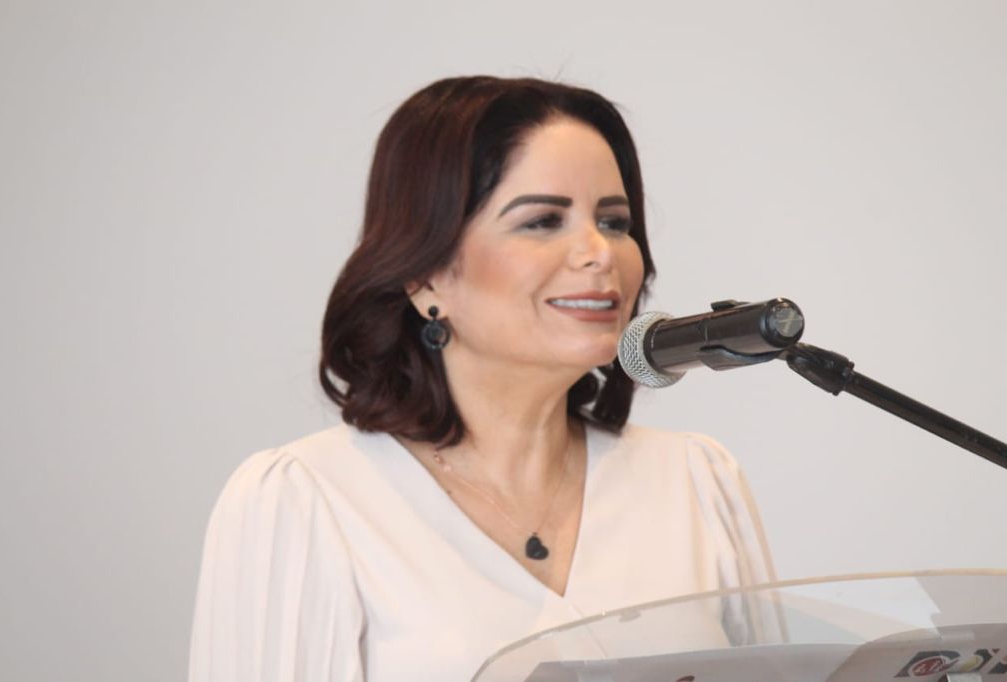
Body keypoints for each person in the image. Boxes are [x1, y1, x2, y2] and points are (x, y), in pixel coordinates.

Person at [188, 76, 776, 681]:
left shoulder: (696, 481)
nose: (600, 252)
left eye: (614, 221)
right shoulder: (310, 501)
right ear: (427, 276)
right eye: (543, 221)